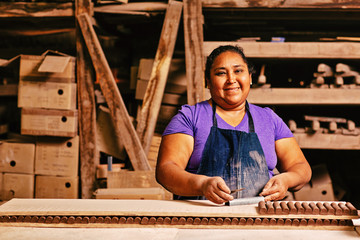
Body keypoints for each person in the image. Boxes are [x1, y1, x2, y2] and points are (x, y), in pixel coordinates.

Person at [156, 45, 312, 204]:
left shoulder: (268, 119)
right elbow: (166, 170)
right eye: (221, 73)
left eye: (238, 71)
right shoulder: (190, 117)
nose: (231, 79)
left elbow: (300, 167)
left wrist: (286, 179)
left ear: (250, 78)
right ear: (208, 82)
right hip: (201, 218)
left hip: (259, 220)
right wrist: (202, 184)